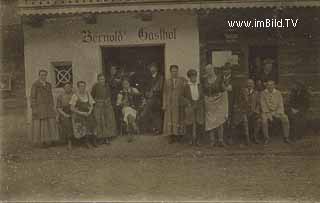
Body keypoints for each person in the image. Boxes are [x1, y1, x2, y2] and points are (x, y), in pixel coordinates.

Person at [30, 69, 59, 147]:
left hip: (49, 107)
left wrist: (52, 105)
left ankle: (52, 140)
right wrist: (34, 108)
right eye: (41, 75)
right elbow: (32, 97)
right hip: (40, 107)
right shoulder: (35, 85)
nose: (43, 76)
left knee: (51, 123)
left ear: (46, 76)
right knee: (43, 124)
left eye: (44, 75)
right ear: (39, 76)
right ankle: (43, 142)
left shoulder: (48, 84)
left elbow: (50, 96)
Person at [202, 64, 229, 147]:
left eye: (210, 69)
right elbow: (203, 90)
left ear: (213, 69)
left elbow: (223, 89)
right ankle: (212, 141)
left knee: (219, 121)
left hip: (219, 101)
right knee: (210, 121)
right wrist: (205, 98)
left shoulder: (219, 78)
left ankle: (220, 140)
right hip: (209, 102)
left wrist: (226, 89)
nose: (209, 71)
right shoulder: (204, 79)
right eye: (207, 70)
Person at [260, 80, 290, 145]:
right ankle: (266, 138)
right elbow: (263, 104)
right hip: (266, 112)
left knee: (285, 118)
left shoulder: (278, 93)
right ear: (266, 86)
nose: (270, 86)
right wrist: (268, 113)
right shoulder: (263, 93)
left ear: (274, 85)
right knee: (264, 121)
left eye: (271, 85)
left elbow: (280, 104)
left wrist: (277, 112)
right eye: (268, 85)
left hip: (277, 112)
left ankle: (286, 137)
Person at [163, 65, 187, 144]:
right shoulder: (167, 81)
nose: (174, 73)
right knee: (170, 118)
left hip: (178, 102)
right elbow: (164, 93)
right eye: (173, 71)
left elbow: (185, 91)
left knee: (178, 118)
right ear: (170, 72)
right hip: (170, 103)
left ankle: (178, 136)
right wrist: (164, 104)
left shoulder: (181, 81)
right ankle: (171, 136)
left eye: (176, 71)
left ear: (178, 71)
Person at [233, 79, 261, 145]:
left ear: (253, 85)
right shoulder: (243, 92)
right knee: (245, 121)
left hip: (254, 112)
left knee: (259, 121)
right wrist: (242, 109)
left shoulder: (256, 93)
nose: (250, 85)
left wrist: (256, 111)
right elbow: (239, 102)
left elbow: (258, 104)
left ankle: (255, 137)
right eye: (248, 83)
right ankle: (247, 139)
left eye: (251, 83)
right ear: (246, 84)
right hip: (244, 112)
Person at [70, 81, 97, 148]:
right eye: (81, 86)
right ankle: (86, 142)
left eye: (84, 86)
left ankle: (94, 141)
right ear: (78, 87)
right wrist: (81, 113)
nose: (83, 88)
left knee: (93, 123)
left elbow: (92, 104)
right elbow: (72, 108)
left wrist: (90, 111)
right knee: (84, 125)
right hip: (79, 114)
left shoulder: (88, 94)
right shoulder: (75, 96)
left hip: (88, 113)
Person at [91, 74, 117, 145]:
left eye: (103, 79)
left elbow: (109, 95)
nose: (102, 81)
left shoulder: (107, 86)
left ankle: (107, 138)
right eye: (100, 79)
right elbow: (92, 96)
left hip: (107, 105)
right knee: (99, 121)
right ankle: (100, 138)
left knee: (108, 121)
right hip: (98, 106)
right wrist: (97, 103)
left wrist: (107, 101)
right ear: (98, 80)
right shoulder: (95, 86)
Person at [182, 69, 204, 146]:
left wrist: (200, 102)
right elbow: (182, 97)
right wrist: (187, 103)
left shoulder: (199, 85)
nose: (194, 78)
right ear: (189, 77)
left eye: (195, 76)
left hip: (198, 105)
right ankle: (190, 140)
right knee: (189, 123)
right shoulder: (186, 86)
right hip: (190, 105)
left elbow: (202, 96)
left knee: (199, 122)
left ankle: (199, 140)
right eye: (192, 76)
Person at [140, 62, 164, 134]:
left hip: (157, 98)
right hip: (149, 98)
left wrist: (152, 93)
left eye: (153, 67)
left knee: (155, 113)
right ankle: (155, 129)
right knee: (153, 113)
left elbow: (160, 88)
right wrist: (146, 93)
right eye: (150, 67)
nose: (151, 69)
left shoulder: (160, 77)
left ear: (156, 68)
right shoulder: (148, 78)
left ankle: (158, 129)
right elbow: (144, 88)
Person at [116, 78, 141, 142]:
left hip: (134, 109)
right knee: (128, 110)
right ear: (122, 85)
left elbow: (140, 98)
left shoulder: (134, 90)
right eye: (124, 84)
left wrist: (137, 103)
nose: (125, 85)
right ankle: (133, 124)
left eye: (127, 84)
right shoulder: (121, 93)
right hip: (125, 109)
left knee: (129, 113)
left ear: (129, 84)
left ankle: (130, 133)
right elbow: (118, 104)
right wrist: (122, 102)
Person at [56, 82, 74, 150]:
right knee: (67, 122)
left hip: (74, 112)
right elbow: (59, 108)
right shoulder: (60, 96)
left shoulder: (74, 95)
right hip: (64, 113)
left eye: (69, 87)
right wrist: (65, 114)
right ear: (63, 88)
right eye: (66, 87)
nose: (68, 88)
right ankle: (69, 142)